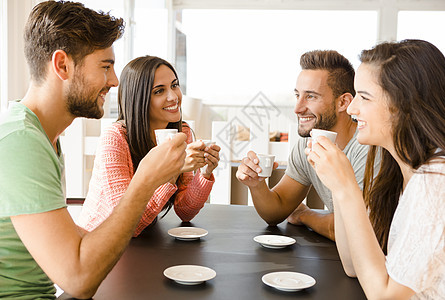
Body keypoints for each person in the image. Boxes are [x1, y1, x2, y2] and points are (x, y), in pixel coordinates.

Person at [0, 2, 187, 299]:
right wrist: (145, 181)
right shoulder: (21, 141)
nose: (114, 81)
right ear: (62, 65)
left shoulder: (44, 137)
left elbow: (71, 244)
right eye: (105, 66)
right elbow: (79, 280)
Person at [307, 39, 445, 299]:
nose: (351, 108)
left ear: (404, 106)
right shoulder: (399, 171)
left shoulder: (435, 183)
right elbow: (352, 267)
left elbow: (384, 295)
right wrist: (338, 186)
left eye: (364, 97)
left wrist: (347, 188)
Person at [236, 50, 372, 240]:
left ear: (343, 102)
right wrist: (256, 185)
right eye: (297, 95)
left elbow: (355, 229)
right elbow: (275, 212)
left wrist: (305, 215)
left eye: (311, 97)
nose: (297, 108)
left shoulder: (367, 149)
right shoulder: (307, 145)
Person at [77, 56, 220, 235]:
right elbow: (125, 224)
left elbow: (185, 212)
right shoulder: (115, 138)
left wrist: (205, 173)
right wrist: (172, 169)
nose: (173, 96)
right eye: (159, 91)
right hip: (97, 240)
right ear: (139, 98)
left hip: (144, 241)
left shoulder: (182, 133)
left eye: (174, 85)